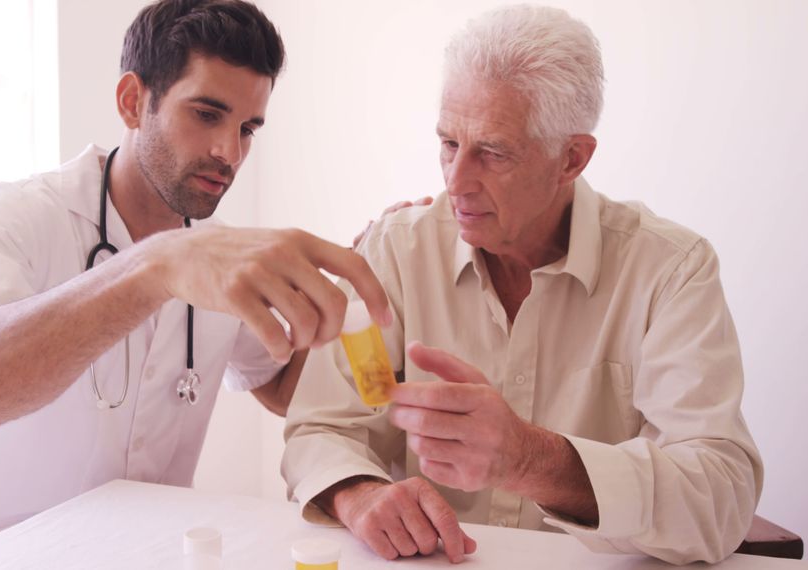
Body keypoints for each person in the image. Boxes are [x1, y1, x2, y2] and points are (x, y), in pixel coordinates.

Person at [0, 1, 392, 568]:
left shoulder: (216, 254)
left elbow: (281, 387)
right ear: (132, 101)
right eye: (206, 114)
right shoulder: (13, 218)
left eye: (247, 128)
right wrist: (156, 268)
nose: (230, 152)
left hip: (142, 553)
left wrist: (360, 294)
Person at [282, 4, 763, 565]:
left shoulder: (671, 271)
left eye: (492, 151)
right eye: (448, 143)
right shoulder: (397, 250)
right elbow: (319, 426)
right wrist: (357, 495)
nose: (456, 181)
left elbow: (722, 496)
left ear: (572, 159)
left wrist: (533, 459)